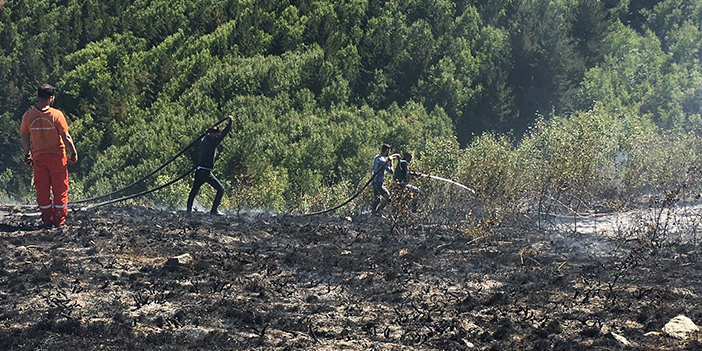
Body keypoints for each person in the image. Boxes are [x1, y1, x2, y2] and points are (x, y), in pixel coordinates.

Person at [20, 84, 78, 227]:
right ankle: (60, 221)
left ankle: (47, 220)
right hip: (57, 157)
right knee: (60, 189)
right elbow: (66, 136)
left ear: (39, 96)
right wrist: (73, 152)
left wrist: (27, 154)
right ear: (51, 98)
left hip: (39, 158)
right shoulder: (56, 115)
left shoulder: (28, 116)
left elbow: (25, 136)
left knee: (42, 189)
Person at [186, 116, 233, 215]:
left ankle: (188, 211)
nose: (218, 135)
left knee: (194, 191)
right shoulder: (212, 142)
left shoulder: (204, 140)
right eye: (216, 133)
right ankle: (214, 211)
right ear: (212, 134)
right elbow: (223, 134)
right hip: (206, 172)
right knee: (220, 189)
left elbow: (218, 135)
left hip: (200, 171)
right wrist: (230, 123)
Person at [371, 143, 398, 216]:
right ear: (386, 150)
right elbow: (391, 171)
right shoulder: (383, 160)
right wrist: (391, 162)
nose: (389, 152)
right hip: (378, 182)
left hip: (373, 181)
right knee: (387, 196)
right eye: (389, 151)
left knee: (377, 198)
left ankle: (374, 214)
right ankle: (378, 211)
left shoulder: (377, 157)